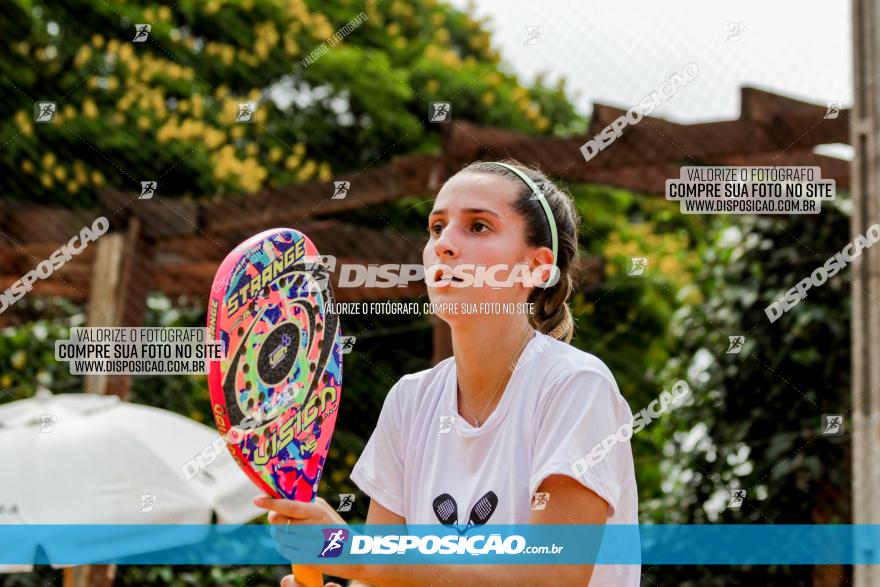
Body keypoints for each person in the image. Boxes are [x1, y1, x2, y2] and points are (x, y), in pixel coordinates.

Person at [255, 159, 640, 586]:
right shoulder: (409, 401)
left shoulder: (575, 386)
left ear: (537, 267)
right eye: (437, 227)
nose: (444, 244)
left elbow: (551, 576)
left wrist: (357, 555)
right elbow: (384, 581)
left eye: (478, 227)